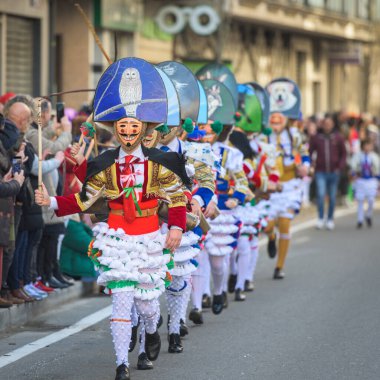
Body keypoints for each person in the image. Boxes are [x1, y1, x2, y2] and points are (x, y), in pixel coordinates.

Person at [35, 57, 189, 380]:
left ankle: (151, 328)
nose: (129, 131)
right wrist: (49, 199)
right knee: (121, 301)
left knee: (146, 304)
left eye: (134, 126)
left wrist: (176, 226)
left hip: (148, 238)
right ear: (116, 130)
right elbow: (83, 199)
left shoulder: (159, 163)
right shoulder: (106, 164)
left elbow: (176, 195)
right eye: (123, 127)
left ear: (144, 128)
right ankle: (122, 364)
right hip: (117, 237)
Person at [309, 114, 347, 230]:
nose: (327, 126)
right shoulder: (317, 137)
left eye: (329, 124)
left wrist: (339, 167)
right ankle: (320, 218)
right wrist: (311, 164)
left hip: (334, 172)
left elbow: (343, 154)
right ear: (323, 124)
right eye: (325, 124)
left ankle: (330, 219)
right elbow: (310, 152)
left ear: (333, 124)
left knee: (332, 197)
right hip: (320, 171)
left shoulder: (338, 137)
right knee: (320, 195)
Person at [351, 139, 380, 228]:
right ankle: (360, 220)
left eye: (369, 145)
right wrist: (354, 174)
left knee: (371, 200)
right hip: (361, 180)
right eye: (365, 145)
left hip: (371, 180)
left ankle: (368, 215)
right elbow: (353, 166)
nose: (367, 147)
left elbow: (378, 169)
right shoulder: (358, 156)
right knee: (360, 200)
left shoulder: (375, 156)